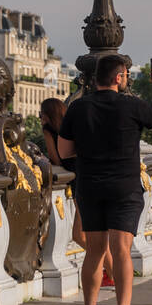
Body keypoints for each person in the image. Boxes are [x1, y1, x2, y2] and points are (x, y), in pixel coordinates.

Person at [58, 54, 152, 305]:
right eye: (125, 75)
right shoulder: (132, 106)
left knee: (95, 251)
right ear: (118, 77)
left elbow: (64, 153)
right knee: (121, 250)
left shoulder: (78, 108)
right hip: (124, 187)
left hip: (89, 186)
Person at [40, 97, 115, 288]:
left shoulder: (49, 130)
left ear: (48, 116)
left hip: (83, 183)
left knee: (83, 236)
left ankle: (116, 274)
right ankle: (112, 272)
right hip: (97, 176)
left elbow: (56, 159)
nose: (39, 118)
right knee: (89, 235)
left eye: (41, 114)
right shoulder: (73, 126)